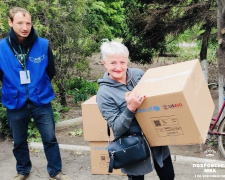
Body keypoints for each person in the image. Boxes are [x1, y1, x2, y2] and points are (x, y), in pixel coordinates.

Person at [0, 7, 71, 180]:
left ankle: (55, 172)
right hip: (15, 101)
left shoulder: (43, 44)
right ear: (10, 22)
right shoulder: (1, 47)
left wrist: (38, 85)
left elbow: (51, 71)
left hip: (40, 99)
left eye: (28, 23)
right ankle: (23, 170)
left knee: (49, 138)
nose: (25, 27)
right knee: (19, 141)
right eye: (20, 23)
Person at [96, 41, 175, 180]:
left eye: (122, 62)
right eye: (113, 63)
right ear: (105, 63)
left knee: (168, 175)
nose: (119, 67)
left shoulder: (138, 75)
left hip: (156, 136)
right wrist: (130, 108)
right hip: (131, 145)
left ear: (127, 61)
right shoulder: (104, 94)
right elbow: (117, 128)